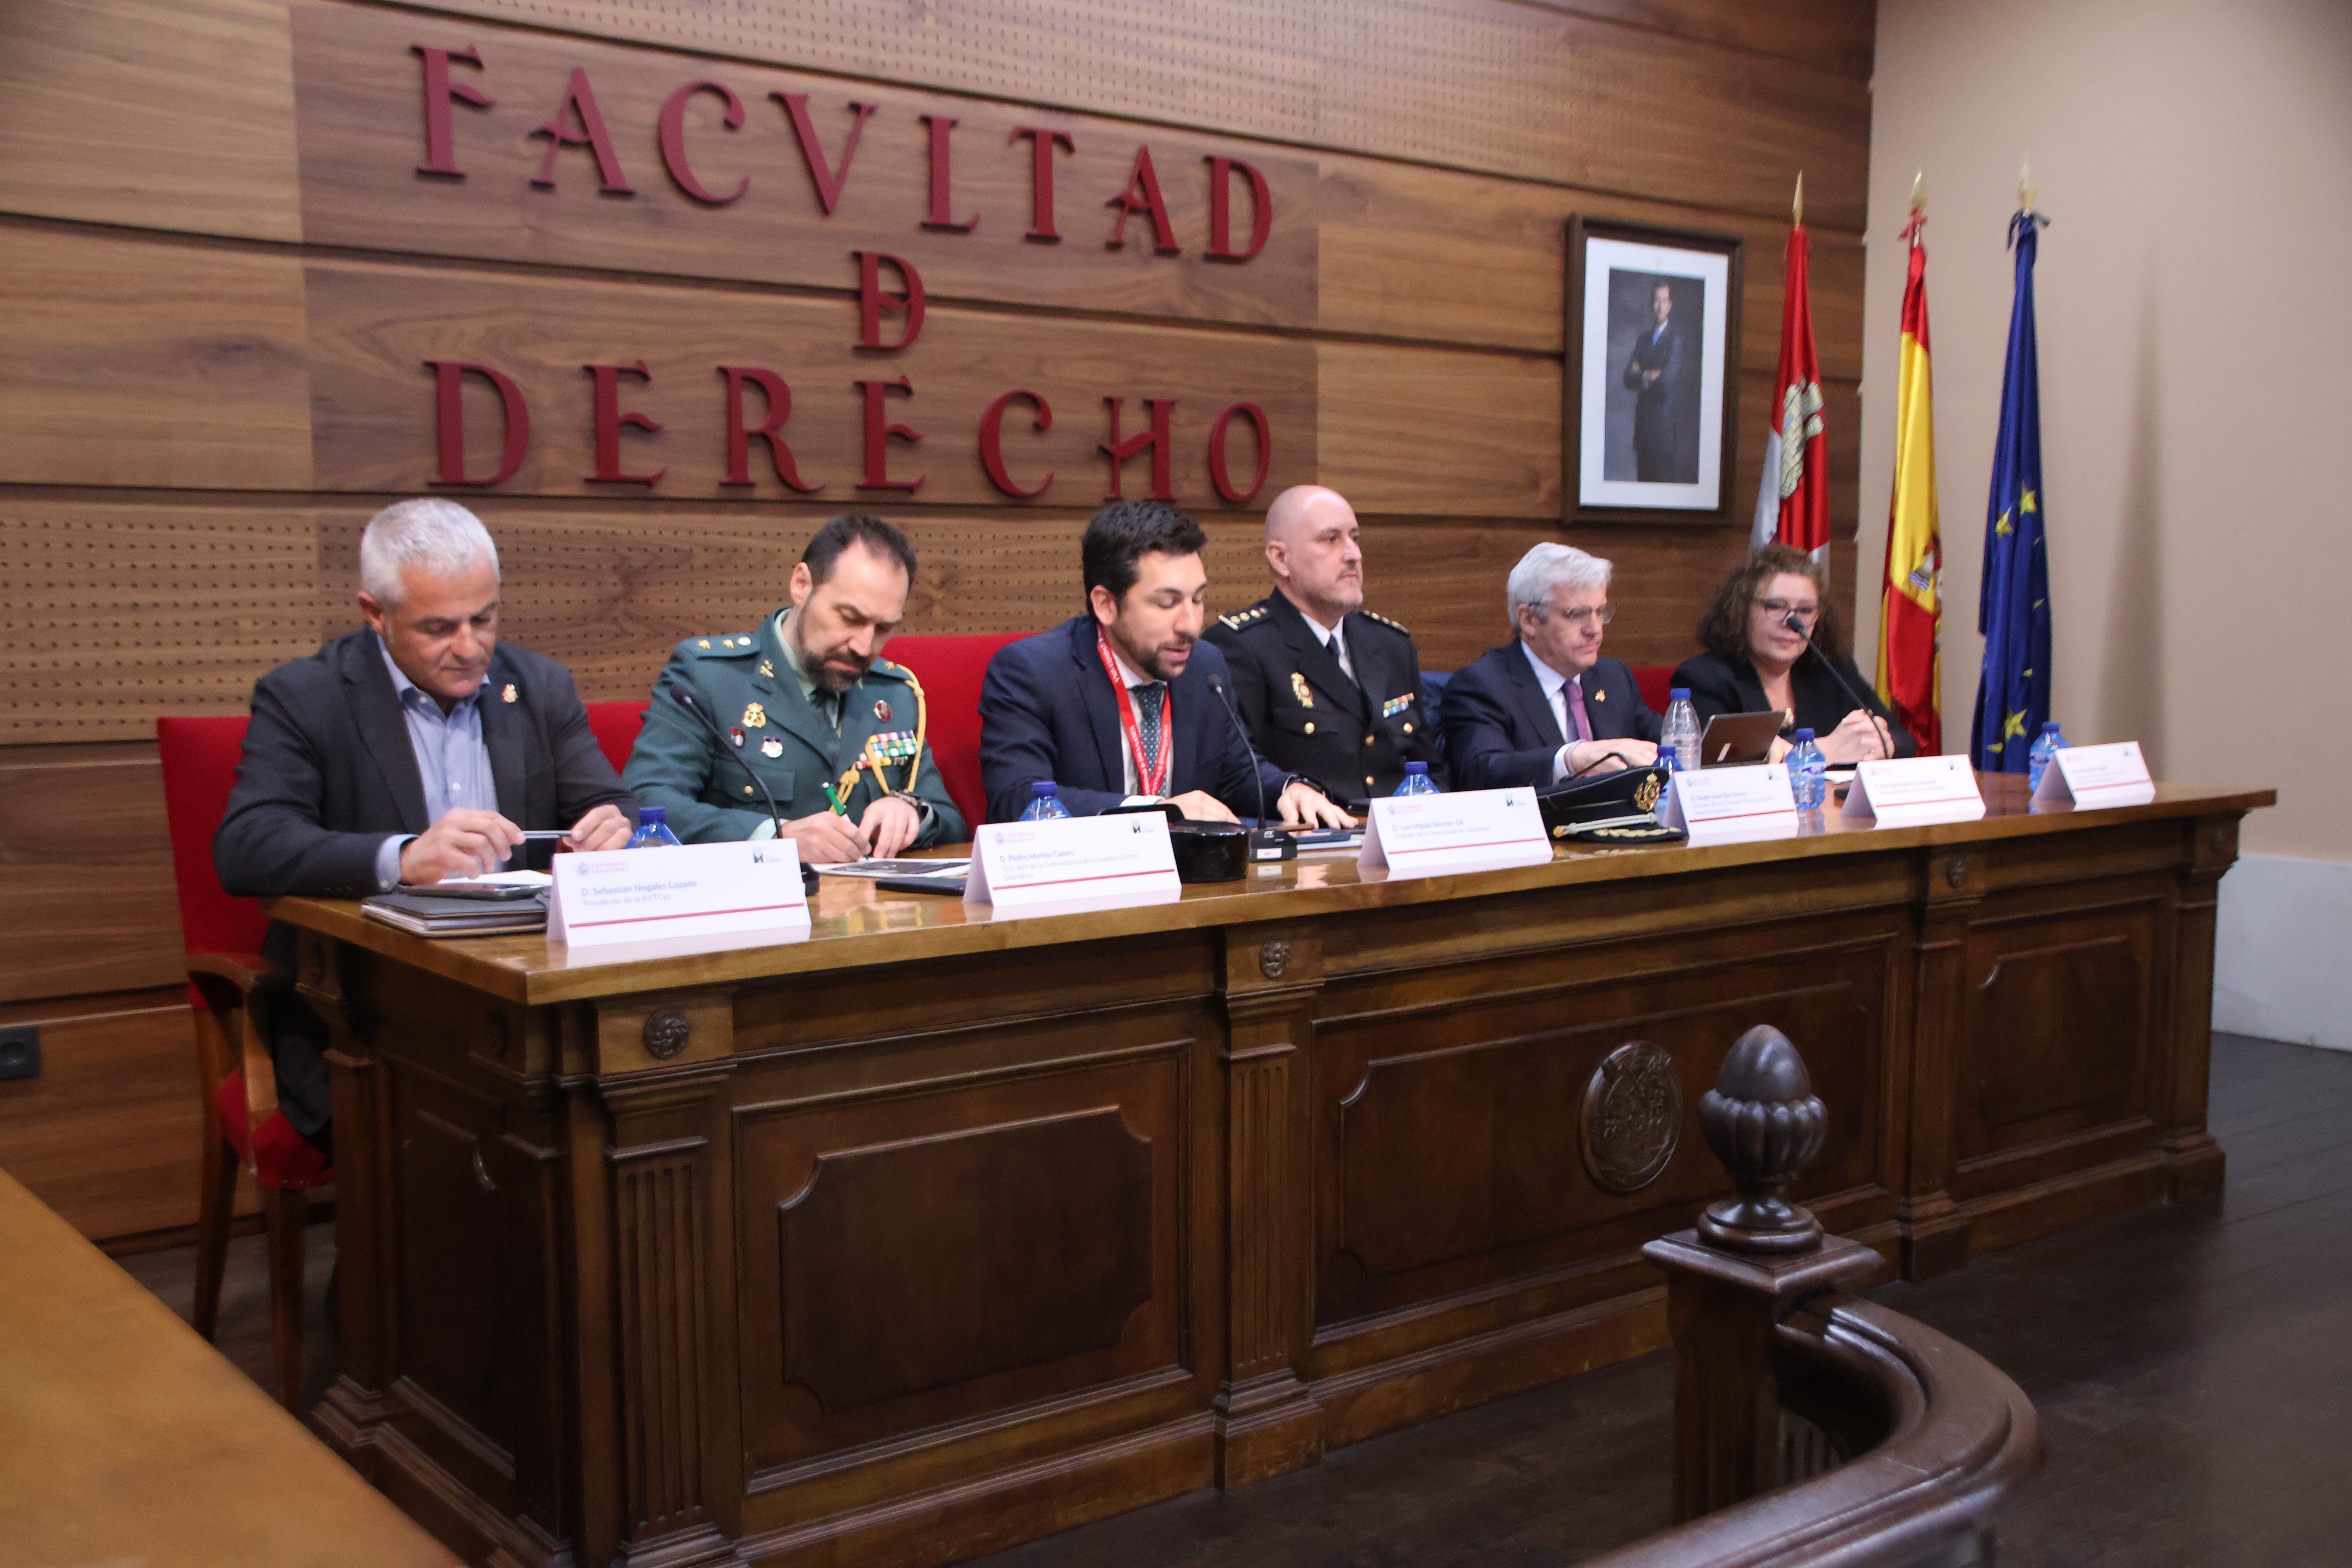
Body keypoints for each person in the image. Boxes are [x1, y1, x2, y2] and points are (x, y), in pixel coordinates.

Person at [214, 498, 635, 1153]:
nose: (470, 649)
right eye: (439, 628)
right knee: (467, 1130)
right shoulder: (307, 696)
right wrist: (402, 857)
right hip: (367, 1009)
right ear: (375, 614)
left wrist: (615, 830)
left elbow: (614, 804)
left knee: (613, 1108)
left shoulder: (539, 687)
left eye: (484, 619)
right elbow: (247, 846)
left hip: (526, 991)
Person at [978, 500, 1360, 826]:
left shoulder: (1204, 665)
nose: (1190, 625)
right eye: (1167, 603)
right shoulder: (1033, 672)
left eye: (1196, 600)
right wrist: (1159, 811)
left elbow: (1239, 773)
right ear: (1106, 604)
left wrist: (1288, 789)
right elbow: (1018, 799)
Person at [624, 514, 964, 858]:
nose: (864, 647)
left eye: (883, 628)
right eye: (849, 618)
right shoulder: (711, 677)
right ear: (802, 585)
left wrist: (912, 813)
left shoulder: (894, 694)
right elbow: (646, 800)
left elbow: (951, 822)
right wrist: (774, 839)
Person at [1202, 485, 1445, 803]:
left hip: (1402, 836)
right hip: (1315, 842)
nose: (1353, 555)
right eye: (1331, 540)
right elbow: (1237, 775)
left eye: (1354, 539)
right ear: (1281, 559)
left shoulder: (1390, 644)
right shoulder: (1242, 647)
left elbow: (1430, 768)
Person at [1441, 543, 1661, 791]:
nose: (1595, 630)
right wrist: (1571, 759)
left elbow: (1667, 744)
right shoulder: (1483, 685)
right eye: (1577, 614)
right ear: (1529, 620)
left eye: (1600, 612)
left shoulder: (1613, 677)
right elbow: (1483, 771)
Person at [1672, 543, 1916, 764]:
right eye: (1776, 606)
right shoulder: (1705, 678)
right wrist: (1825, 750)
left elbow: (1903, 741)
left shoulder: (1832, 672)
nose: (1792, 621)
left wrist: (1878, 744)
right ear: (1742, 611)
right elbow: (1717, 762)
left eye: (1806, 610)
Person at [1624, 278, 1686, 482]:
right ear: (1652, 304)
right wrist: (1652, 374)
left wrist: (1642, 372)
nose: (1660, 306)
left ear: (1671, 305)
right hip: (1643, 433)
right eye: (1656, 301)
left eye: (1664, 301)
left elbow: (1666, 383)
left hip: (1663, 435)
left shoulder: (1675, 340)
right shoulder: (1643, 340)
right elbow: (1628, 378)